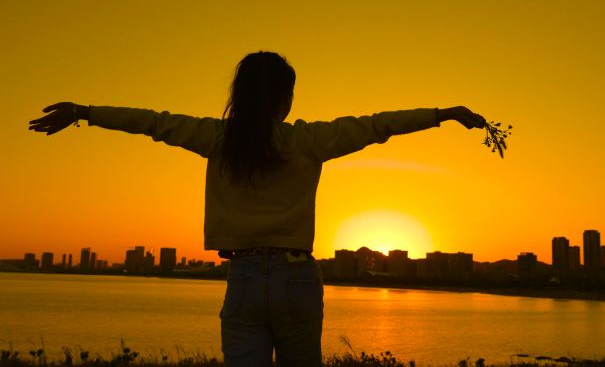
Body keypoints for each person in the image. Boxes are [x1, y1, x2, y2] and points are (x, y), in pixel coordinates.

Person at [28, 51, 487, 367]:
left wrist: (84, 110)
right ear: (286, 98)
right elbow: (376, 126)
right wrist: (441, 113)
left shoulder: (217, 138)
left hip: (245, 278)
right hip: (296, 279)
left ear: (241, 95)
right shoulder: (308, 140)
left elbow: (152, 122)